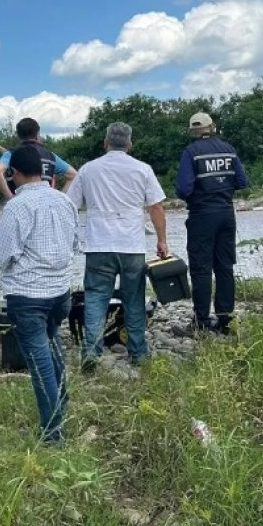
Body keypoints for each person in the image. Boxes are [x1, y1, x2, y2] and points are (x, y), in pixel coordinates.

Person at [0, 145, 79, 444]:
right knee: (52, 344)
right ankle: (62, 403)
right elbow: (74, 244)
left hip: (28, 295)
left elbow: (2, 257)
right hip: (60, 293)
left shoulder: (17, 206)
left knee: (39, 359)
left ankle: (52, 431)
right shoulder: (64, 201)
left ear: (14, 173)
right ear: (44, 172)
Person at [66, 122, 168, 371]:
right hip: (131, 244)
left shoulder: (88, 170)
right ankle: (137, 353)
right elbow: (155, 206)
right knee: (133, 299)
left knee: (95, 299)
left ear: (105, 142)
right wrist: (162, 240)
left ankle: (91, 353)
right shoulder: (142, 169)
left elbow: (70, 205)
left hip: (99, 245)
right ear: (130, 144)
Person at [174, 112, 249, 335]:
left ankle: (202, 320)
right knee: (225, 266)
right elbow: (242, 181)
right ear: (212, 127)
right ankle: (226, 320)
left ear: (192, 132)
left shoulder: (191, 152)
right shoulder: (229, 149)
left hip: (201, 215)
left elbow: (183, 188)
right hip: (226, 213)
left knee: (201, 268)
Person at [0, 117, 77, 200]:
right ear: (37, 134)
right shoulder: (50, 155)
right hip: (46, 204)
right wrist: (59, 198)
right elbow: (73, 175)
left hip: (20, 204)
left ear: (18, 135)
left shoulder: (11, 154)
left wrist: (10, 198)